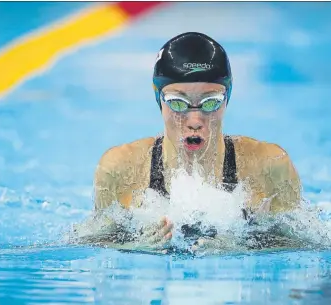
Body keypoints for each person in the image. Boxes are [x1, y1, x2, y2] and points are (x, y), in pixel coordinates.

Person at [93, 32, 302, 250]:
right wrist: (133, 246)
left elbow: (308, 245)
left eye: (210, 102)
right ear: (159, 99)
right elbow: (92, 245)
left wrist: (243, 247)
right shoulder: (119, 169)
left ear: (227, 98)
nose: (195, 120)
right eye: (178, 103)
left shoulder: (270, 167)